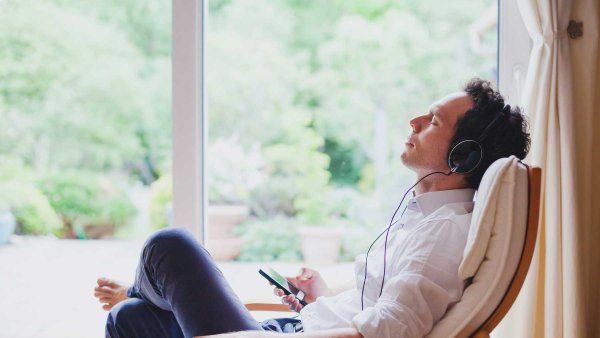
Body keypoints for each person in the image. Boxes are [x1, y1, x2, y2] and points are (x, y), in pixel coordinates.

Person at [93, 78, 530, 338]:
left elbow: (391, 331)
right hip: (297, 327)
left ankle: (141, 287)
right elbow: (379, 307)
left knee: (168, 247)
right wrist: (319, 298)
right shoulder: (425, 219)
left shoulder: (443, 232)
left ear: (465, 157)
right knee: (129, 320)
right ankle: (140, 296)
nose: (414, 121)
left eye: (433, 121)